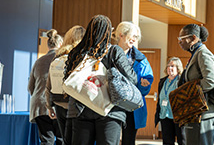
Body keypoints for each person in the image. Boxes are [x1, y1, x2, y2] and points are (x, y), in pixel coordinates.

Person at [64, 15, 137, 145]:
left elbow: (67, 79)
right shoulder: (114, 51)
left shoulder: (77, 52)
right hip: (110, 111)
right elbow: (132, 78)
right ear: (109, 32)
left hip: (81, 109)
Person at [177, 24, 214, 145]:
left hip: (204, 113)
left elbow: (211, 80)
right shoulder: (196, 54)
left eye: (182, 38)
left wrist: (190, 91)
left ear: (193, 38)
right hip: (196, 112)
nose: (179, 42)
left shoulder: (202, 54)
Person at [114, 21, 154, 145]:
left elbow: (146, 85)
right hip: (111, 103)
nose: (134, 39)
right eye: (133, 36)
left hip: (131, 105)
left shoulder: (141, 59)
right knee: (110, 139)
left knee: (129, 141)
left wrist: (144, 85)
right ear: (121, 35)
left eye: (136, 37)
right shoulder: (109, 54)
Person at [45, 25, 85, 145]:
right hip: (77, 106)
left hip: (58, 105)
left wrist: (49, 106)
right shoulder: (81, 58)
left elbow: (48, 85)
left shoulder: (57, 58)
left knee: (65, 141)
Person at [28, 29, 63, 144]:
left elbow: (30, 87)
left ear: (48, 45)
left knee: (46, 140)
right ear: (60, 44)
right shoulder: (61, 60)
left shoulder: (38, 62)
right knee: (61, 139)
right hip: (57, 104)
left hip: (39, 105)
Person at [155, 57, 184, 145]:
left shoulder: (181, 81)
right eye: (168, 66)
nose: (169, 68)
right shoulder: (163, 81)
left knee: (182, 141)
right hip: (164, 115)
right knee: (167, 142)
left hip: (178, 116)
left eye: (172, 66)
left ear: (178, 68)